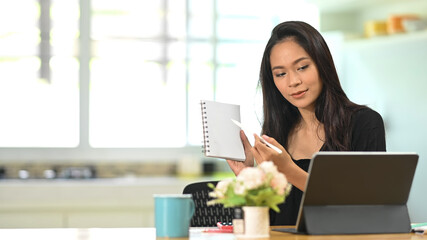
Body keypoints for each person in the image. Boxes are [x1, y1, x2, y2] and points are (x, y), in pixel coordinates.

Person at [226, 21, 386, 225]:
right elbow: (269, 224)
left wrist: (289, 171)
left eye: (302, 67)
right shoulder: (277, 133)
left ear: (322, 64)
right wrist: (249, 179)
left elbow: (365, 209)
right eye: (280, 74)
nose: (293, 81)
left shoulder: (363, 123)